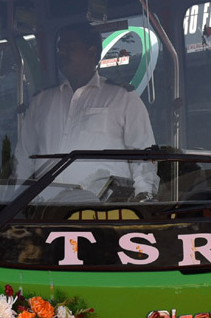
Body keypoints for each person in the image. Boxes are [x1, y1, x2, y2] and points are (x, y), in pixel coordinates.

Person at [15, 21, 159, 198]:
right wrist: (18, 201)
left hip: (102, 214)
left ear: (92, 52)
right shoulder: (41, 102)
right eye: (60, 47)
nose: (61, 53)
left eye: (70, 47)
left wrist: (143, 198)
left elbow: (143, 156)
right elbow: (23, 159)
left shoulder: (122, 98)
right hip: (47, 212)